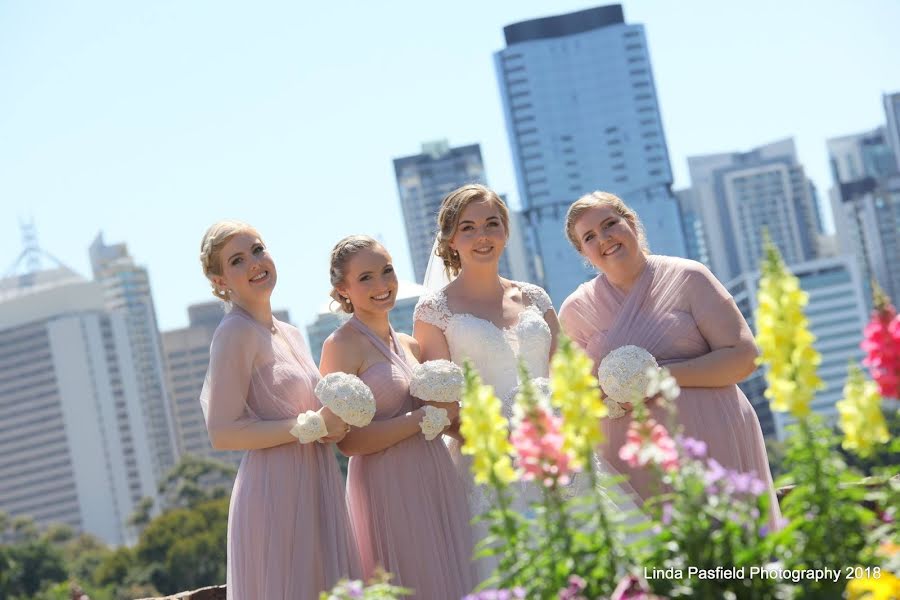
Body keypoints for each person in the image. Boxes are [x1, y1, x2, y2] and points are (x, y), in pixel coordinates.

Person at [558, 191, 781, 522]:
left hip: (712, 440)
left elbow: (744, 356)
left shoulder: (690, 277)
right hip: (629, 460)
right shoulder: (575, 311)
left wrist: (661, 378)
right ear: (584, 254)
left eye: (610, 225)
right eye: (589, 237)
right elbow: (572, 400)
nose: (604, 239)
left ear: (631, 223)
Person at [199, 220, 361, 599]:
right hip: (275, 490)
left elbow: (314, 414)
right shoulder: (234, 332)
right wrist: (310, 425)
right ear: (220, 280)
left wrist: (334, 423)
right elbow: (222, 431)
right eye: (237, 260)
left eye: (257, 249)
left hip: (318, 480)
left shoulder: (290, 333)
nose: (255, 263)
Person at [412, 184, 560, 579]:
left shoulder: (537, 298)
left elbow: (563, 373)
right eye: (469, 228)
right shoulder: (434, 311)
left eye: (492, 224)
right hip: (489, 460)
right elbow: (443, 402)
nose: (483, 236)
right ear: (451, 240)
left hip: (559, 450)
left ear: (506, 232)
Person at [320, 235, 477, 598]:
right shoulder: (340, 345)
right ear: (343, 290)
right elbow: (349, 441)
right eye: (365, 278)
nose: (381, 284)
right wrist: (420, 420)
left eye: (386, 271)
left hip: (435, 473)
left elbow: (442, 419)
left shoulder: (409, 344)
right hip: (386, 485)